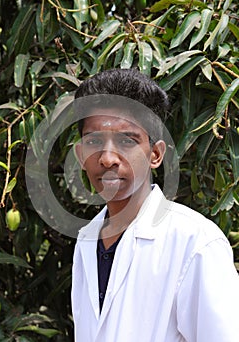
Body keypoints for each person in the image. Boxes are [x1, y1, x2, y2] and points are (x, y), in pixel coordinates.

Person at [71, 68, 239, 342]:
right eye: (94, 141)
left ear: (156, 154)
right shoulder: (86, 241)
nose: (108, 158)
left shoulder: (195, 243)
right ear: (80, 155)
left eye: (127, 140)